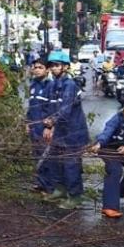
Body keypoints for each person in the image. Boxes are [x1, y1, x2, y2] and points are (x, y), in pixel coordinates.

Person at [42, 50, 90, 209]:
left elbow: (65, 110)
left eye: (57, 65)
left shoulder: (70, 85)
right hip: (59, 132)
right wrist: (47, 125)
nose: (54, 68)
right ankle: (60, 189)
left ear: (65, 67)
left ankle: (75, 196)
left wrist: (52, 122)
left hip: (73, 133)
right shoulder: (53, 85)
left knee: (71, 165)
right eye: (52, 66)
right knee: (55, 161)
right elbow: (49, 106)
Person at [27, 57, 53, 192]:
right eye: (35, 67)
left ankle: (49, 186)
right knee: (37, 155)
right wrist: (27, 123)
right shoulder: (33, 85)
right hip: (34, 127)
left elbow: (55, 109)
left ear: (47, 70)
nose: (36, 70)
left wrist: (50, 127)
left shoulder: (51, 86)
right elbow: (31, 107)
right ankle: (40, 183)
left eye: (40, 67)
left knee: (46, 157)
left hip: (44, 129)